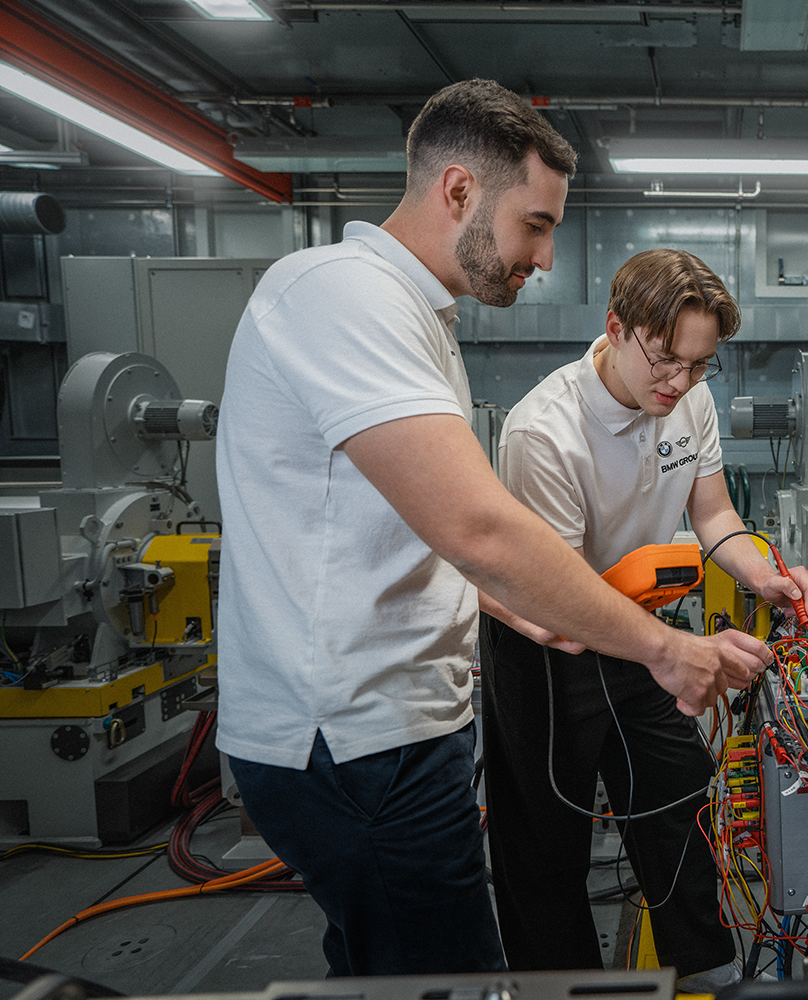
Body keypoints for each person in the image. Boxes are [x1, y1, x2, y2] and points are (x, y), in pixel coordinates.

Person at [213, 81, 771, 978]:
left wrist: (513, 605)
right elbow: (480, 527)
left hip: (401, 724)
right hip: (352, 738)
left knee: (390, 968)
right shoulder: (343, 298)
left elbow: (420, 532)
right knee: (444, 967)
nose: (547, 256)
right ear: (461, 191)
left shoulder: (419, 317)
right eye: (538, 225)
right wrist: (666, 652)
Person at [480, 249, 808, 991]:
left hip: (638, 630)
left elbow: (714, 514)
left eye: (700, 366)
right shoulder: (546, 432)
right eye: (666, 361)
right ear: (616, 328)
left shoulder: (686, 398)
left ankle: (705, 970)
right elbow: (561, 605)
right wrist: (680, 651)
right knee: (546, 839)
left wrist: (768, 576)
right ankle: (560, 986)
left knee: (678, 795)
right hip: (545, 644)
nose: (681, 383)